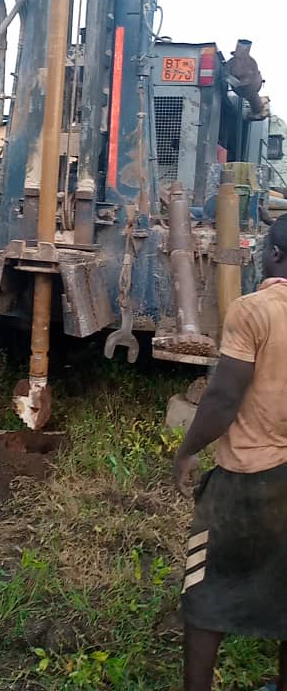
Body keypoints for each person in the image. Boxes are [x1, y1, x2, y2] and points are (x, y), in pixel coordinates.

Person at [174, 215, 287, 691]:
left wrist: (187, 450)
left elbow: (223, 398)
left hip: (247, 477)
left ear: (276, 255)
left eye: (264, 249)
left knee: (205, 594)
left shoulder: (254, 310)